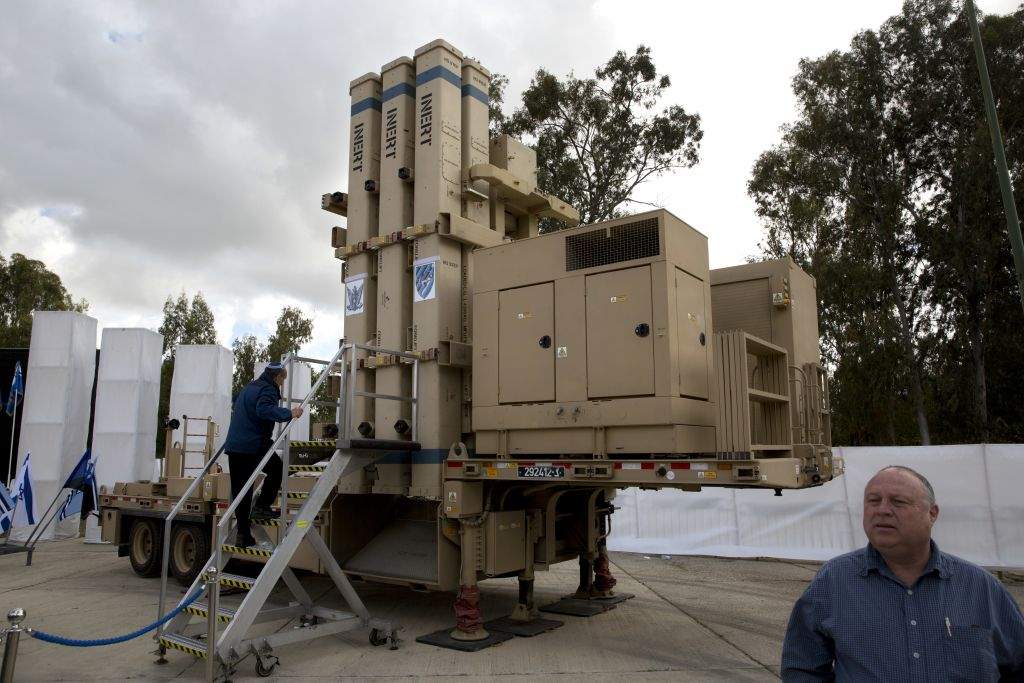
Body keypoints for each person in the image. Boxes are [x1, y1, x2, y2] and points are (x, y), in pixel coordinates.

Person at [781, 465, 1024, 681]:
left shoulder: (980, 587)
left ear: (932, 513)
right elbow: (802, 668)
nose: (883, 510)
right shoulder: (833, 581)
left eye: (898, 502)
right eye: (873, 501)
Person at [223, 363, 302, 549]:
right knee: (276, 469)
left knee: (242, 490)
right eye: (283, 380)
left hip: (235, 445)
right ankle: (262, 506)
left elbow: (236, 403)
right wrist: (290, 413)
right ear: (278, 377)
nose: (283, 384)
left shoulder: (250, 387)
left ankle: (243, 534)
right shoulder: (268, 389)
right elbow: (264, 410)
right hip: (253, 443)